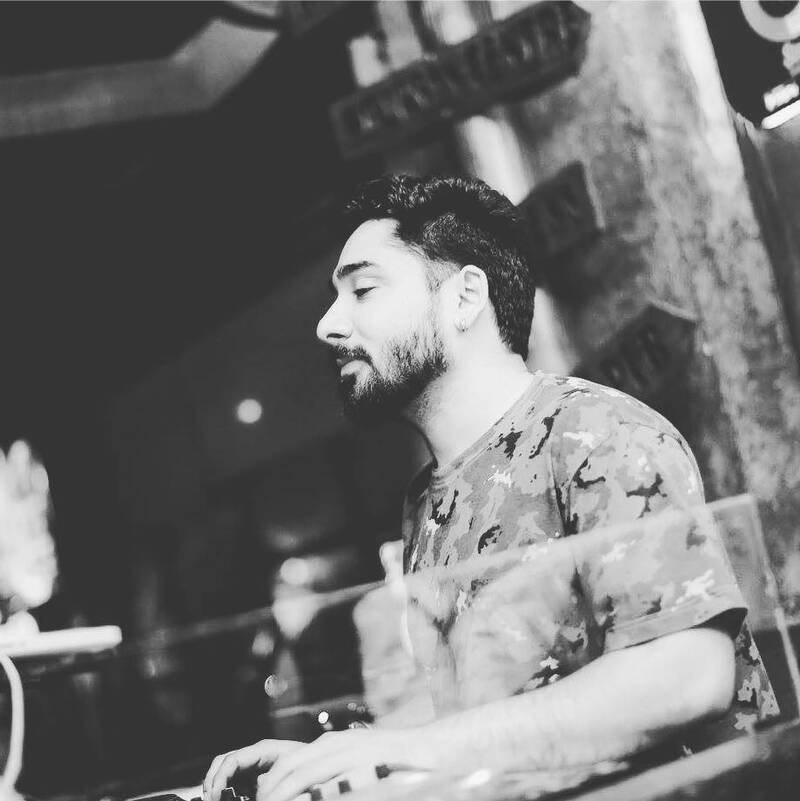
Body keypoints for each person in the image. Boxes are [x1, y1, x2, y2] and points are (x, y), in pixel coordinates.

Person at [203, 176, 778, 801]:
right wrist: (344, 758)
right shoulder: (426, 500)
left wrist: (408, 750)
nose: (327, 324)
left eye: (362, 290)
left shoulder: (595, 432)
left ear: (465, 297)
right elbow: (484, 716)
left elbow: (689, 675)